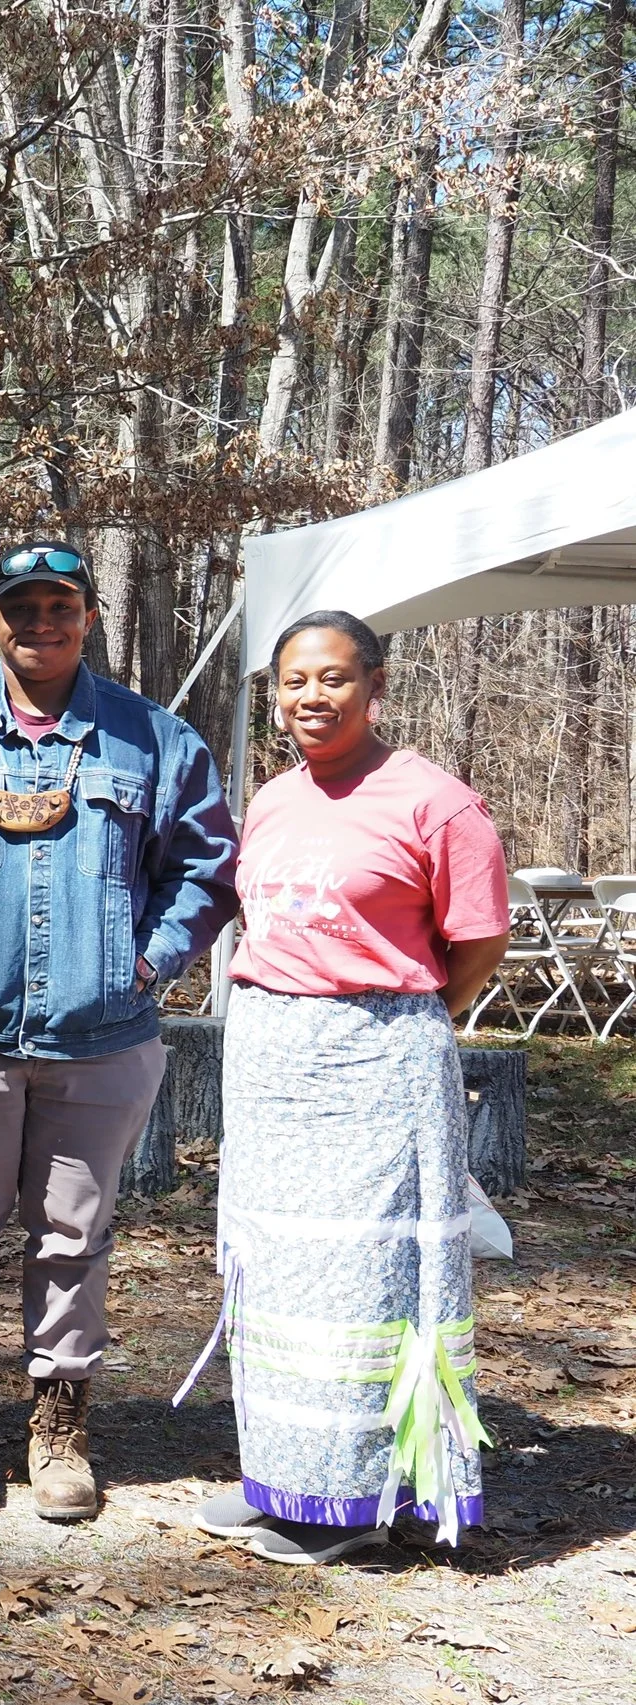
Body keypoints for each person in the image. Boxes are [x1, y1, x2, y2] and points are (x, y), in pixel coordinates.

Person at [0, 540, 238, 1524]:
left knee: (74, 1231)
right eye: (19, 607)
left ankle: (59, 1425)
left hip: (102, 1034)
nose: (40, 623)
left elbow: (203, 862)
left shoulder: (150, 741)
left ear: (88, 614)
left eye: (58, 604)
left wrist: (145, 961)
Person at [185, 612, 509, 1566]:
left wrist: (398, 1011)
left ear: (375, 685)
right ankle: (282, 1479)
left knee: (363, 1279)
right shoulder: (278, 797)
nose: (310, 699)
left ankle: (357, 1503)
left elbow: (478, 937)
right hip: (274, 1061)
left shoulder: (437, 803)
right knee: (276, 1266)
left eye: (332, 679)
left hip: (377, 1060)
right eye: (292, 681)